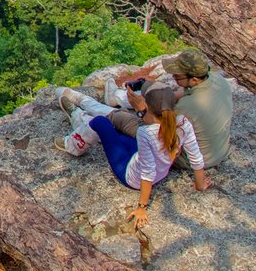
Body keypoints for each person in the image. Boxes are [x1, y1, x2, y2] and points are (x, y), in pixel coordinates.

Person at [89, 86, 212, 229]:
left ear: (149, 107)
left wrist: (142, 207)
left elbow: (147, 172)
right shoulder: (183, 123)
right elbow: (195, 157)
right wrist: (200, 185)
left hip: (130, 175)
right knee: (119, 134)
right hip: (159, 172)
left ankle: (79, 122)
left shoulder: (145, 132)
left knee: (99, 122)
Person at [162, 50, 233, 169]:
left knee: (140, 129)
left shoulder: (187, 106)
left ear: (194, 80)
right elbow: (187, 92)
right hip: (221, 150)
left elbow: (165, 133)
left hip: (198, 160)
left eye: (177, 76)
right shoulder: (219, 80)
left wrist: (142, 109)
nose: (173, 77)